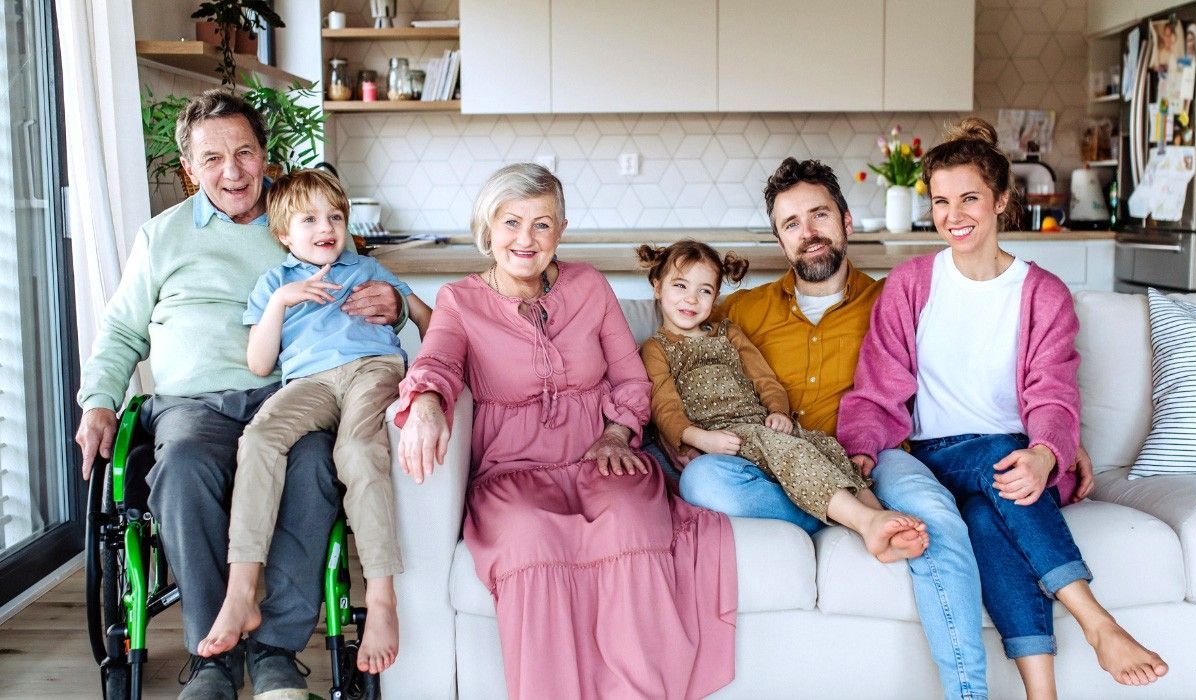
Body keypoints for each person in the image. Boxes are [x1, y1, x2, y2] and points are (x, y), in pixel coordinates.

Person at [74, 90, 407, 700]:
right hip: (193, 407)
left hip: (292, 393)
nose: (232, 171)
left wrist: (398, 304)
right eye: (213, 159)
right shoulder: (161, 237)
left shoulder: (302, 221)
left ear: (264, 156)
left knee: (314, 464)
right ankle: (213, 662)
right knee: (182, 467)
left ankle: (276, 651)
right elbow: (122, 331)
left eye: (244, 153)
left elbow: (371, 296)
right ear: (189, 170)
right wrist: (98, 400)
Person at [839, 117, 1168, 697]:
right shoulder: (913, 284)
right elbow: (877, 387)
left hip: (1021, 468)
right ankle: (1099, 623)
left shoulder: (1042, 292)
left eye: (968, 198)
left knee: (992, 517)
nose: (953, 215)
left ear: (1001, 201)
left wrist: (1047, 454)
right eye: (940, 201)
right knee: (1001, 456)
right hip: (938, 458)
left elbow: (1054, 392)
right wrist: (861, 453)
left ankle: (1042, 694)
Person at [675, 157, 1013, 700]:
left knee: (938, 522)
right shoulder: (738, 312)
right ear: (779, 239)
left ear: (847, 221)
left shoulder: (896, 300)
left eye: (819, 215)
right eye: (791, 224)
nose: (808, 233)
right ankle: (854, 517)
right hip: (778, 464)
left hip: (877, 460)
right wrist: (678, 437)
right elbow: (677, 363)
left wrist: (1052, 443)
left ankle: (970, 695)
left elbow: (979, 369)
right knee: (702, 482)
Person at [395, 163, 736, 699]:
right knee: (529, 539)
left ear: (561, 230)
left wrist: (617, 434)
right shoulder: (459, 301)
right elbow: (435, 363)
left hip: (599, 457)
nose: (525, 240)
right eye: (511, 222)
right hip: (514, 471)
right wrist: (426, 405)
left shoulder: (590, 285)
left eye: (542, 225)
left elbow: (630, 378)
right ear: (487, 229)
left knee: (630, 521)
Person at [195, 169, 432, 674]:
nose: (326, 226)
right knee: (258, 439)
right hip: (310, 383)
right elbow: (261, 364)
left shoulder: (368, 269)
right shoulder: (274, 283)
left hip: (373, 369)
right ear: (283, 234)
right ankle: (242, 592)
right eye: (309, 219)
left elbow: (437, 326)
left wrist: (404, 308)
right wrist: (283, 302)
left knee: (357, 452)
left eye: (335, 216)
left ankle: (383, 600)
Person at [637, 240, 928, 562]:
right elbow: (664, 405)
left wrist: (778, 412)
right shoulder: (656, 348)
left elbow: (764, 378)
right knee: (769, 461)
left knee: (824, 449)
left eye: (705, 290)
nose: (691, 299)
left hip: (759, 424)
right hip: (721, 435)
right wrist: (697, 437)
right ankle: (862, 521)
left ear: (716, 295)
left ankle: (879, 522)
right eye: (680, 286)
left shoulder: (728, 333)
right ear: (657, 286)